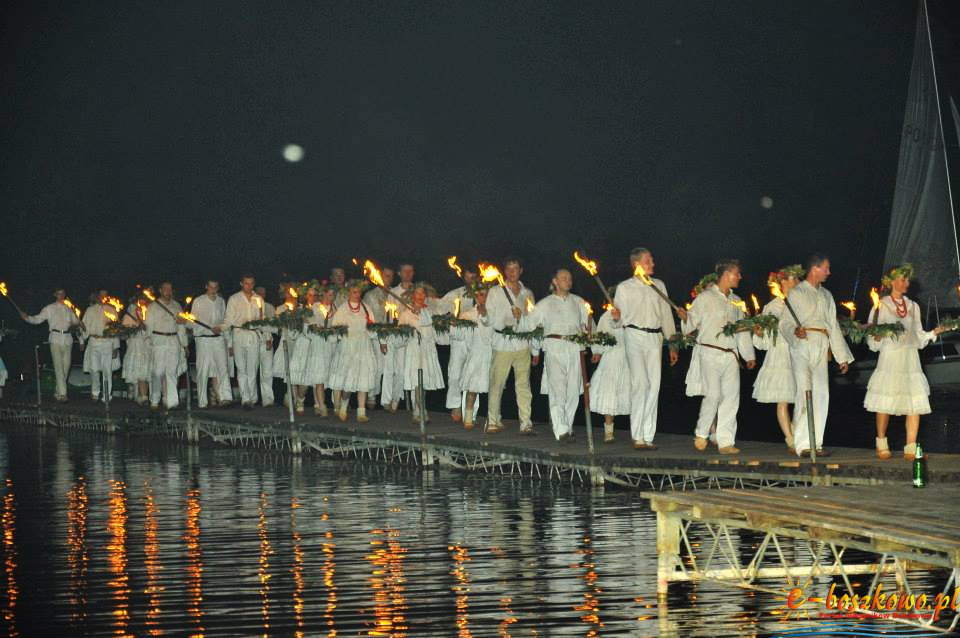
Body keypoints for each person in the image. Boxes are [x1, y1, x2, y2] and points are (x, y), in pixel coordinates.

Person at [865, 264, 944, 460]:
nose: (906, 283)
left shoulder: (913, 306)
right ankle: (881, 443)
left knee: (914, 402)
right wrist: (876, 338)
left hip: (910, 358)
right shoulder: (880, 305)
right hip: (890, 356)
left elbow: (917, 337)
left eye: (907, 280)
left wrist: (934, 333)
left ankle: (910, 447)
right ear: (891, 281)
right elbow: (872, 336)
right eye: (902, 279)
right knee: (885, 401)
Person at [779, 253, 853, 457]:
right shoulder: (797, 293)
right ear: (814, 269)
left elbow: (833, 326)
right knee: (805, 391)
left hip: (821, 343)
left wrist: (841, 356)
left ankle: (816, 443)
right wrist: (794, 331)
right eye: (826, 268)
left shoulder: (827, 295)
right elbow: (784, 322)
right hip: (802, 343)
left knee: (821, 393)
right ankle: (802, 444)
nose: (829, 272)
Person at [613, 248, 684, 449]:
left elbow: (666, 316)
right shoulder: (624, 288)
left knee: (654, 385)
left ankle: (647, 436)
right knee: (641, 383)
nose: (652, 263)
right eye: (648, 261)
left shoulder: (658, 285)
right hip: (634, 334)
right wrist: (616, 317)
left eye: (652, 260)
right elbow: (618, 321)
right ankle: (637, 436)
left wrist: (673, 344)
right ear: (637, 264)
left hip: (655, 337)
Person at [683, 261, 756, 454]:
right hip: (709, 351)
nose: (740, 277)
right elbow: (690, 325)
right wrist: (685, 318)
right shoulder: (705, 297)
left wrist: (748, 354)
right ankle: (701, 433)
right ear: (726, 274)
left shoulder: (737, 300)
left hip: (731, 354)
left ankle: (725, 442)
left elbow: (741, 329)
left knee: (731, 397)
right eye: (737, 274)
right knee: (713, 394)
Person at [525, 269, 591, 442]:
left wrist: (591, 341)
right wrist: (535, 350)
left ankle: (568, 426)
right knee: (558, 389)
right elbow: (532, 327)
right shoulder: (544, 304)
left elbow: (589, 326)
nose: (568, 281)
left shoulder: (579, 302)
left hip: (574, 348)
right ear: (555, 281)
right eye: (564, 278)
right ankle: (560, 429)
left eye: (570, 278)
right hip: (554, 347)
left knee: (572, 390)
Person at [752, 266, 803, 452]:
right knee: (783, 399)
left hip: (799, 352)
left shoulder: (802, 303)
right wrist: (758, 333)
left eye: (798, 279)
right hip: (780, 354)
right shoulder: (773, 306)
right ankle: (790, 439)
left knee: (803, 396)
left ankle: (798, 433)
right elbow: (764, 342)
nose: (797, 282)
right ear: (783, 282)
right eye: (794, 279)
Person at [485, 258, 537, 434]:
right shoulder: (495, 291)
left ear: (521, 270)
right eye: (509, 269)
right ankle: (493, 420)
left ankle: (525, 422)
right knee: (497, 383)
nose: (512, 272)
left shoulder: (527, 293)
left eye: (515, 269)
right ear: (504, 271)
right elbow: (489, 319)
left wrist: (521, 318)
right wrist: (507, 319)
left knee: (523, 385)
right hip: (502, 343)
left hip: (522, 343)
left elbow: (532, 321)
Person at [328, 280, 379, 422]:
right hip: (348, 346)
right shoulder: (343, 309)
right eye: (354, 292)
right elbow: (336, 328)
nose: (357, 295)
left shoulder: (366, 308)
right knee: (348, 380)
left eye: (359, 292)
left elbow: (372, 327)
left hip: (363, 346)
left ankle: (361, 412)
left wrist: (375, 335)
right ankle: (343, 407)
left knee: (363, 377)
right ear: (348, 293)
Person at [21, 287, 81, 402]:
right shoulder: (49, 308)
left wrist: (79, 324)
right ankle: (63, 394)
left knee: (66, 368)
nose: (61, 296)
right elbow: (37, 319)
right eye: (59, 294)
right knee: (58, 366)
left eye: (63, 293)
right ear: (55, 295)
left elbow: (76, 323)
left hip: (68, 339)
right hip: (55, 339)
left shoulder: (69, 309)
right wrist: (27, 318)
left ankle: (58, 392)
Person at [398, 283, 445, 423]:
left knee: (423, 383)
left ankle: (417, 411)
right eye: (417, 293)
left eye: (423, 293)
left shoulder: (430, 312)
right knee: (416, 382)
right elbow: (401, 335)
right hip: (414, 350)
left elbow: (435, 332)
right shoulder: (406, 313)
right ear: (412, 295)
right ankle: (422, 410)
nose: (420, 296)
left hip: (427, 350)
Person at [588, 289, 630, 443]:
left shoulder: (630, 314)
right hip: (612, 357)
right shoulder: (606, 317)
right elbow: (600, 336)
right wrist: (597, 351)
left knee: (631, 392)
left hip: (630, 357)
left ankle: (637, 432)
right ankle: (608, 431)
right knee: (609, 392)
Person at [441, 269, 478, 422]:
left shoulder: (485, 293)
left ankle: (471, 412)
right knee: (455, 372)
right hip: (458, 340)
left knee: (475, 375)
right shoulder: (454, 294)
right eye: (469, 274)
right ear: (464, 276)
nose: (472, 277)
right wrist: (450, 318)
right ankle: (456, 405)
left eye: (475, 274)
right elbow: (441, 309)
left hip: (476, 339)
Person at [144, 282, 188, 410]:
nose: (168, 292)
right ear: (160, 290)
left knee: (172, 372)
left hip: (173, 340)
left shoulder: (177, 306)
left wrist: (184, 345)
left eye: (170, 290)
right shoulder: (153, 306)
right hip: (158, 341)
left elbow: (181, 327)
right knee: (157, 372)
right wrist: (148, 342)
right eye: (165, 290)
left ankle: (172, 402)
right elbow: (149, 326)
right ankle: (155, 399)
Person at [456, 283, 494, 430]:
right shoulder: (467, 315)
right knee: (473, 387)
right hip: (475, 353)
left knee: (492, 389)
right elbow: (460, 336)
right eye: (479, 295)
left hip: (490, 353)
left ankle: (492, 420)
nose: (482, 298)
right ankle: (468, 418)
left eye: (485, 295)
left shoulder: (494, 313)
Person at [224, 274, 264, 409]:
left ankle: (252, 398)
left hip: (253, 334)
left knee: (252, 367)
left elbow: (261, 319)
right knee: (241, 368)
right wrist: (221, 329)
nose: (249, 286)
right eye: (246, 283)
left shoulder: (258, 299)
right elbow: (229, 319)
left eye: (251, 283)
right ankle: (245, 398)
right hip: (239, 333)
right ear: (241, 283)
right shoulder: (234, 299)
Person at [190, 280, 232, 408]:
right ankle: (202, 401)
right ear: (206, 287)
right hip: (203, 339)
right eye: (210, 287)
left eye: (215, 287)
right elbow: (192, 320)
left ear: (218, 288)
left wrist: (228, 340)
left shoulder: (221, 301)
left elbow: (225, 320)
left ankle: (225, 397)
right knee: (203, 370)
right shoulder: (198, 301)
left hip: (218, 338)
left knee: (223, 368)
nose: (213, 290)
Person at [362, 266, 394, 409]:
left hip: (391, 334)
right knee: (377, 366)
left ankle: (387, 398)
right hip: (375, 334)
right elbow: (370, 319)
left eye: (390, 276)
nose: (388, 279)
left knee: (389, 367)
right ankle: (371, 395)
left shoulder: (393, 294)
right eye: (386, 275)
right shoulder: (370, 295)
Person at [80, 291, 121, 402]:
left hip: (107, 342)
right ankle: (95, 392)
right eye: (101, 295)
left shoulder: (112, 310)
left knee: (107, 370)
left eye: (105, 295)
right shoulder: (90, 310)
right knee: (94, 369)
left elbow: (115, 330)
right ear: (97, 297)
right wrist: (81, 340)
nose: (103, 297)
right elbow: (84, 326)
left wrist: (115, 347)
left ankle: (107, 395)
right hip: (94, 341)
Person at [304, 285, 337, 415]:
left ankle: (322, 404)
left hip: (330, 345)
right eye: (329, 295)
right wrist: (316, 329)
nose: (331, 298)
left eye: (333, 295)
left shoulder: (335, 309)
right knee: (319, 375)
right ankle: (322, 406)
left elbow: (337, 327)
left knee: (327, 376)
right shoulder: (315, 308)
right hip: (318, 345)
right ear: (323, 295)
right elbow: (307, 328)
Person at [121, 295, 151, 405]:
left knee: (147, 371)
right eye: (141, 301)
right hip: (136, 345)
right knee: (140, 370)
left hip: (147, 344)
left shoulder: (149, 312)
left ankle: (141, 395)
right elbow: (124, 333)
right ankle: (143, 396)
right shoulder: (129, 315)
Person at [254, 286, 276, 406]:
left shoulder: (270, 307)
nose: (261, 296)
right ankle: (253, 398)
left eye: (263, 293)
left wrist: (269, 337)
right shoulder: (250, 306)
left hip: (267, 341)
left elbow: (271, 325)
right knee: (252, 371)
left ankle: (268, 399)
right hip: (254, 340)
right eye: (259, 293)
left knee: (267, 371)